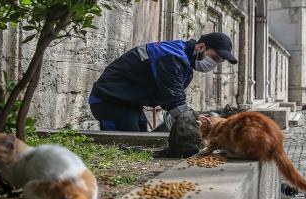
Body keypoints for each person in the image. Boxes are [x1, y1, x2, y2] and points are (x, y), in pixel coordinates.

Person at [88, 32, 238, 131]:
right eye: (215, 58)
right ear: (200, 47)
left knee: (141, 142)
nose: (214, 63)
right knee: (126, 147)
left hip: (129, 102)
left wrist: (194, 116)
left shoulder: (184, 61)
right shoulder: (172, 57)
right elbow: (174, 100)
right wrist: (200, 121)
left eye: (219, 61)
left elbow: (170, 101)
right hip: (110, 100)